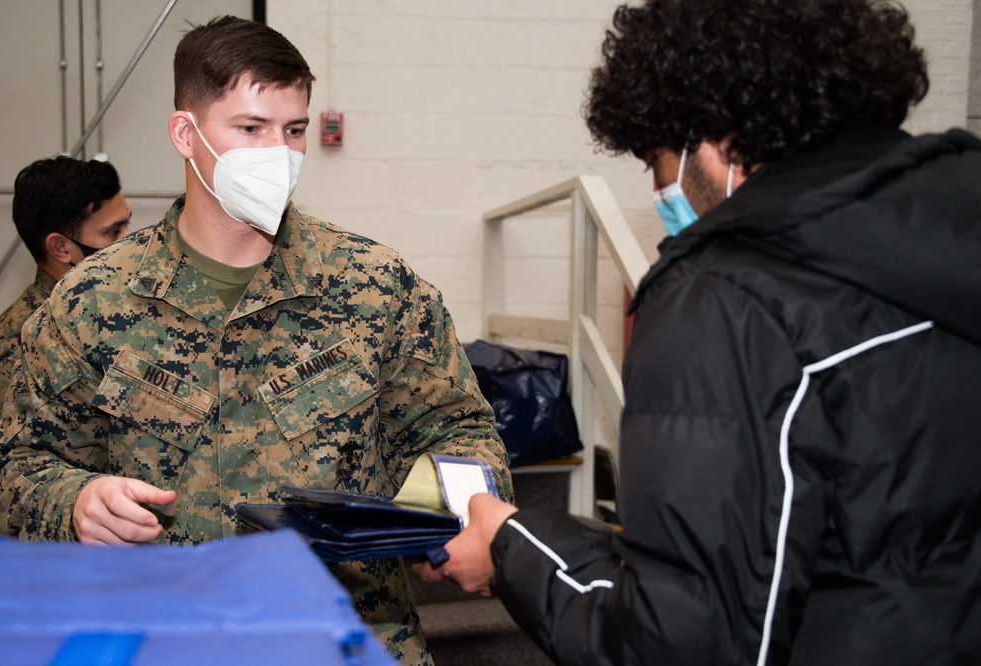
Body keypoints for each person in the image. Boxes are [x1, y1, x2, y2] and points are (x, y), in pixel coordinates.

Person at [413, 0, 981, 664]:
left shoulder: (725, 298)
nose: (663, 192)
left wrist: (508, 551)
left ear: (712, 139)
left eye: (658, 164)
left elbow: (679, 645)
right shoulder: (951, 230)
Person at [0, 16, 510, 666]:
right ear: (186, 133)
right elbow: (11, 470)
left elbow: (458, 433)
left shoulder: (374, 283)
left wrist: (445, 516)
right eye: (251, 129)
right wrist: (77, 503)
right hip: (161, 644)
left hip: (347, 643)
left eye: (293, 132)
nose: (277, 156)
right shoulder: (95, 300)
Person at [0, 156, 131, 533]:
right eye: (113, 233)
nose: (130, 243)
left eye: (128, 223)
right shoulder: (21, 344)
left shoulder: (109, 315)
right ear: (61, 248)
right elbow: (8, 483)